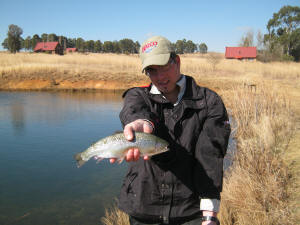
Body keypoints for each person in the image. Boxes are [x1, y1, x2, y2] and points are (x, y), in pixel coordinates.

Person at [111, 36, 231, 225]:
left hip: (190, 213)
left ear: (177, 61)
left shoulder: (209, 102)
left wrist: (209, 215)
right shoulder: (138, 95)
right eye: (152, 71)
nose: (160, 77)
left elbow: (210, 158)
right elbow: (134, 110)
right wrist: (142, 123)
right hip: (143, 208)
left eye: (164, 67)